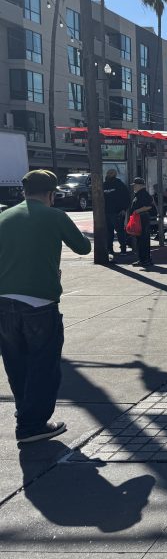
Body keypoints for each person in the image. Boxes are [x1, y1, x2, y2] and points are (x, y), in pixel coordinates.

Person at [0, 170, 91, 443]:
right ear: (51, 193)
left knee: (16, 364)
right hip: (40, 302)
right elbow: (84, 247)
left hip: (3, 302)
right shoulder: (55, 216)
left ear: (24, 191)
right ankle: (33, 425)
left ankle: (24, 413)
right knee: (43, 364)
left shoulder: (3, 217)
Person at [129, 177, 156, 267]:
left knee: (143, 239)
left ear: (140, 185)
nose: (134, 187)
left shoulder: (143, 194)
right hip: (140, 218)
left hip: (142, 218)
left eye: (135, 185)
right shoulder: (139, 194)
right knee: (140, 239)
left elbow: (148, 206)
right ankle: (142, 259)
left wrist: (137, 211)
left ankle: (145, 260)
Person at [102, 168, 130, 256]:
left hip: (117, 212)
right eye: (108, 172)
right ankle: (110, 249)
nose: (108, 174)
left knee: (119, 231)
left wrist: (124, 209)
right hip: (107, 212)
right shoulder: (104, 185)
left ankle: (123, 250)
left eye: (110, 173)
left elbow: (126, 197)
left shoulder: (119, 184)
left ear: (114, 174)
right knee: (109, 232)